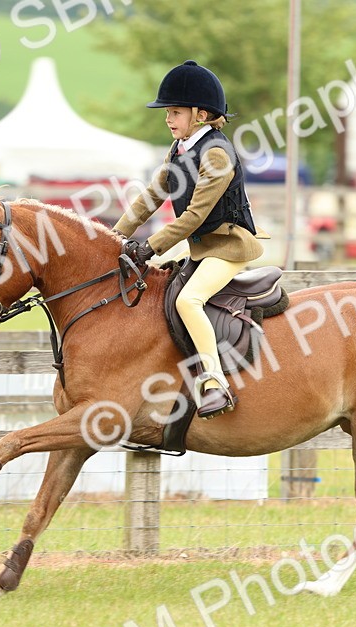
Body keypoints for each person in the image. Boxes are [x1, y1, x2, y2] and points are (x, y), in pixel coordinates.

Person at [114, 60, 264, 419]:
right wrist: (114, 235)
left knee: (188, 301)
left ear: (200, 114)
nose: (168, 119)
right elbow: (151, 197)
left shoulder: (215, 154)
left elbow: (194, 216)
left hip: (228, 246)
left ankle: (213, 383)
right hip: (199, 244)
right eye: (167, 112)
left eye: (175, 112)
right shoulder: (179, 149)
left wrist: (150, 246)